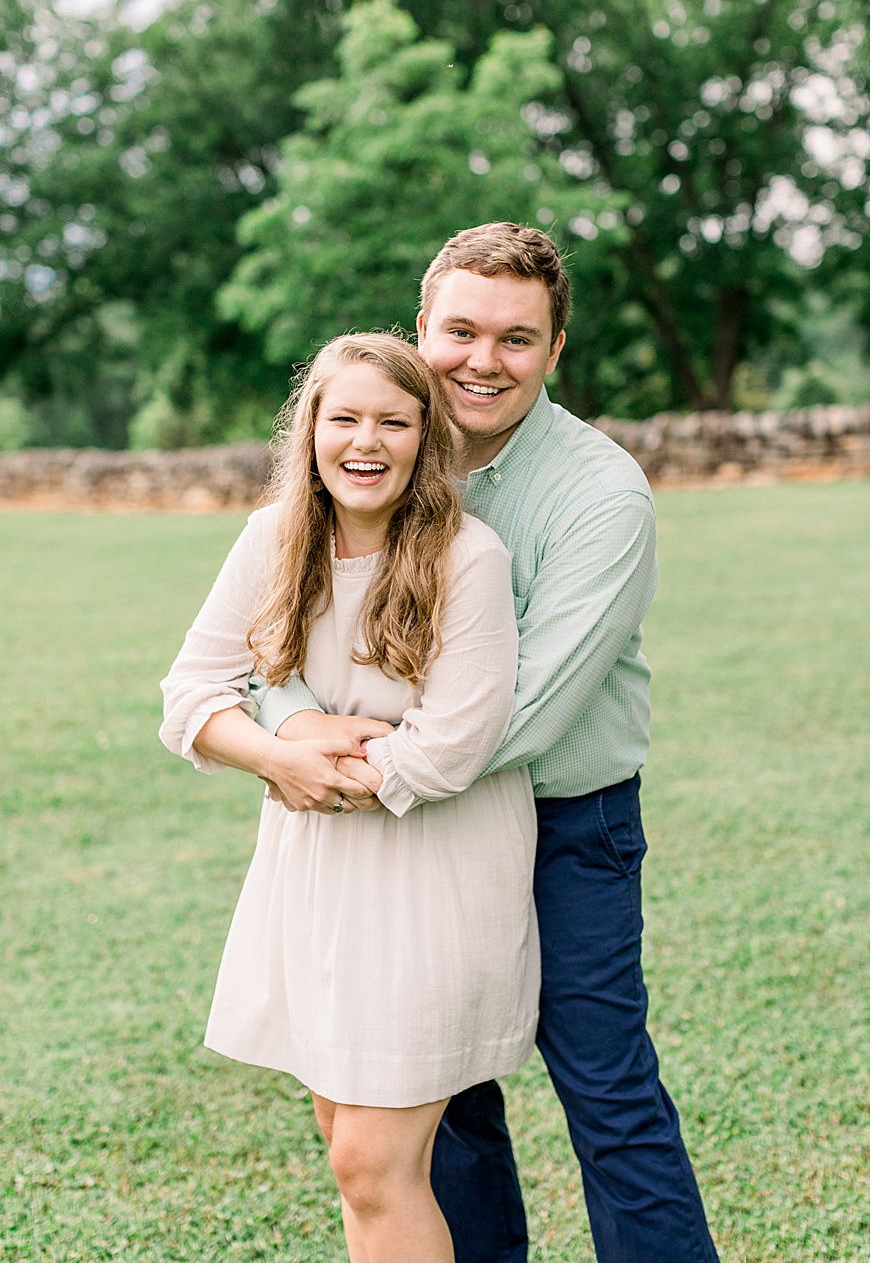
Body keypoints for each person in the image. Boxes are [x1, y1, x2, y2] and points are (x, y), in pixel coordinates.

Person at [255, 223, 716, 1262]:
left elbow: (529, 709)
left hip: (566, 826)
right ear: (423, 328)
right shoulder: (373, 456)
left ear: (556, 350)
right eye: (461, 331)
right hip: (418, 832)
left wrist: (348, 768)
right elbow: (273, 632)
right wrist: (289, 728)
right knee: (440, 1101)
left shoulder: (601, 494)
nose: (483, 360)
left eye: (517, 339)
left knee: (607, 1093)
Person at [161, 331, 536, 1261]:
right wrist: (278, 749)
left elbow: (447, 750)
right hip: (316, 879)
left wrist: (309, 753)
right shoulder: (273, 538)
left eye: (394, 423)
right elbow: (190, 695)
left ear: (425, 438)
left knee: (373, 1163)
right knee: (349, 1151)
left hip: (436, 880)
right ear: (312, 430)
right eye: (346, 419)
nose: (366, 443)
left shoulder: (469, 557)